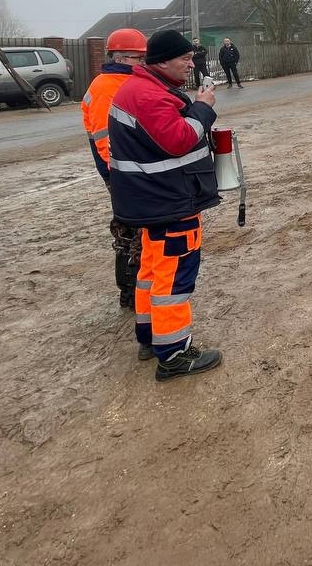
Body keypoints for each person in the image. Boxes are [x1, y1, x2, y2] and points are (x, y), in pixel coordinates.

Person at [107, 29, 223, 380]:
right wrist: (203, 107)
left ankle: (149, 337)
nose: (191, 65)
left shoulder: (140, 88)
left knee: (152, 272)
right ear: (162, 61)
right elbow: (179, 140)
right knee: (173, 280)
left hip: (152, 200)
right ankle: (174, 354)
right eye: (185, 59)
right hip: (170, 201)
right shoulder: (148, 95)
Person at [81, 28, 147, 310]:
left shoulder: (122, 80)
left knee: (136, 228)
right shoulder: (108, 86)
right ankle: (130, 291)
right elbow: (106, 137)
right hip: (122, 170)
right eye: (139, 58)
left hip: (129, 167)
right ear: (120, 56)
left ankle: (135, 287)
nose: (144, 62)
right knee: (130, 230)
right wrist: (122, 175)